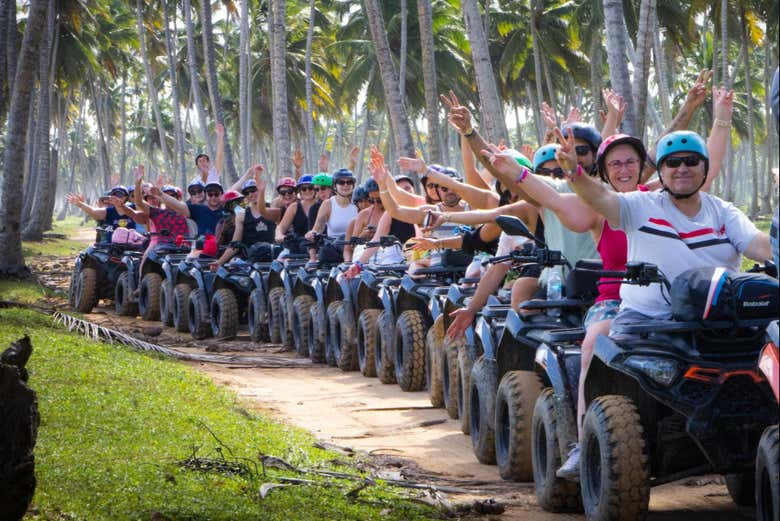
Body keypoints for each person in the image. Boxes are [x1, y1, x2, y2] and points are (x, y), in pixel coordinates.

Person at [306, 168, 359, 263]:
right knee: (325, 252)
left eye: (349, 182)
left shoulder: (360, 202)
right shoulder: (328, 204)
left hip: (355, 247)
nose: (346, 185)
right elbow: (318, 228)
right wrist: (312, 234)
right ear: (335, 186)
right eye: (341, 182)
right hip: (334, 248)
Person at [66, 185, 136, 242]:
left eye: (120, 194)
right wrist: (80, 204)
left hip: (132, 245)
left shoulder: (134, 208)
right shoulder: (108, 211)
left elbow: (143, 206)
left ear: (126, 198)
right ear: (110, 197)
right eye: (114, 194)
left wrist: (138, 184)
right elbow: (93, 211)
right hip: (111, 246)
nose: (117, 197)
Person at [273, 174, 319, 255]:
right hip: (298, 246)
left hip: (319, 245)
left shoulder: (323, 205)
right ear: (299, 191)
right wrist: (279, 235)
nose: (307, 191)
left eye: (310, 188)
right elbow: (281, 227)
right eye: (304, 189)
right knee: (280, 260)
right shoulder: (294, 207)